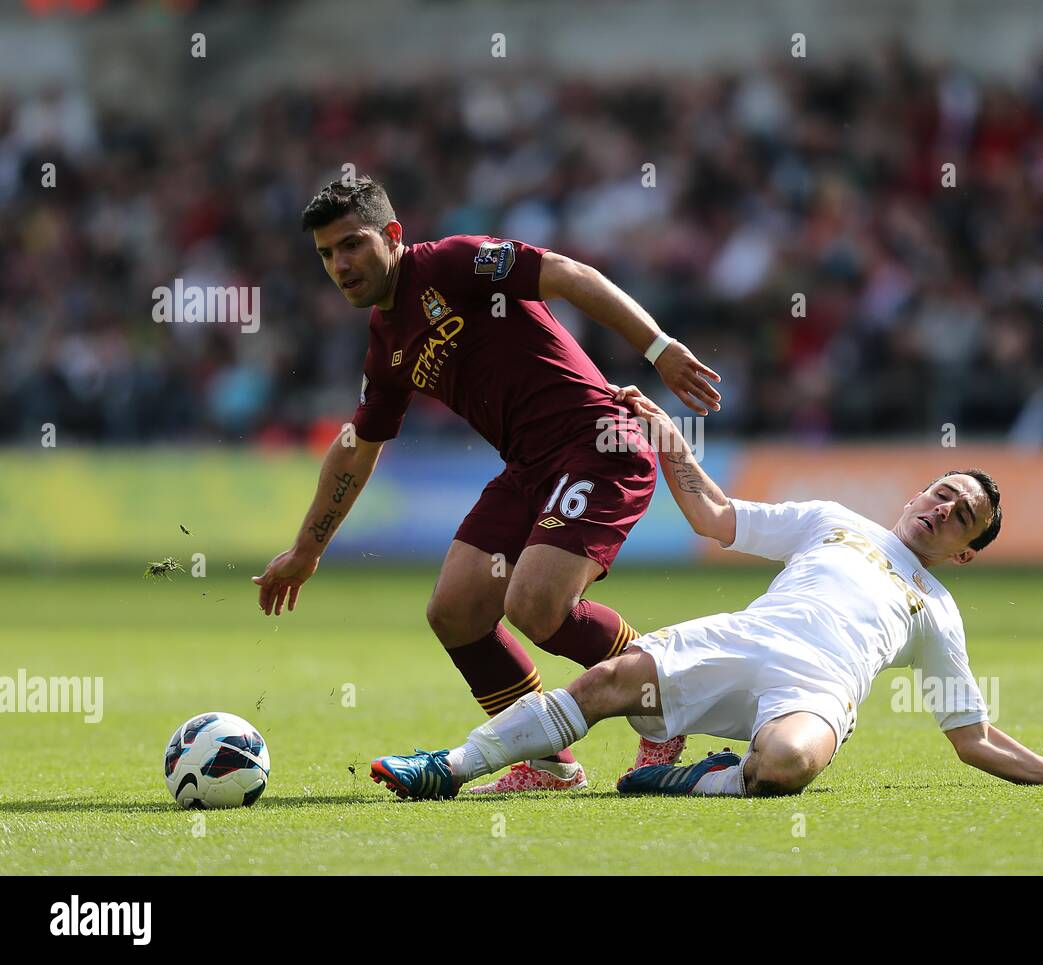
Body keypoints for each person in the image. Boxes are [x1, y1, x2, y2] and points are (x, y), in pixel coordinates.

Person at [369, 387, 1043, 799]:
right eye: (943, 492)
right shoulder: (833, 520)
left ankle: (686, 778)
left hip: (812, 692)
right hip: (737, 639)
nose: (943, 508)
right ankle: (451, 765)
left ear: (966, 553)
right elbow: (715, 517)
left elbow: (973, 738)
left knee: (788, 767)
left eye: (963, 516)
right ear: (922, 490)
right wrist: (671, 442)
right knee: (605, 682)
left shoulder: (938, 611)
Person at [254, 176, 722, 792]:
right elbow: (356, 450)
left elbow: (566, 274)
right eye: (326, 255)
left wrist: (657, 348)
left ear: (392, 236)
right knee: (456, 612)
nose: (340, 265)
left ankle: (665, 702)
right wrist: (307, 550)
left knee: (534, 606)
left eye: (352, 245)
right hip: (528, 469)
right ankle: (549, 762)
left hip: (596, 446)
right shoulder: (385, 344)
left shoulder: (451, 263)